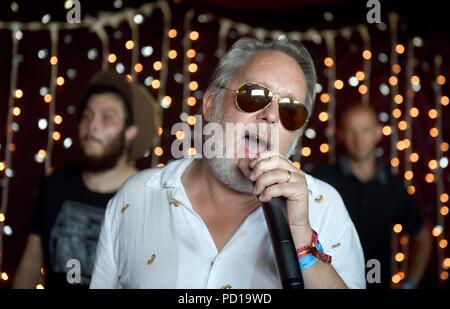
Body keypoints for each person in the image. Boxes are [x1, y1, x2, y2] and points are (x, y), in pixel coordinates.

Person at [90, 38, 366, 289]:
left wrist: (303, 241)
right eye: (254, 95)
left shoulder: (324, 205)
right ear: (211, 104)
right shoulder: (136, 197)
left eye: (290, 110)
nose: (271, 116)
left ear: (294, 137)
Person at [13, 71, 157, 288]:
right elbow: (32, 260)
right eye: (87, 116)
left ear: (130, 132)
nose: (92, 126)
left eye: (107, 118)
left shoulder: (149, 197)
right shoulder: (56, 185)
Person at [312, 102, 432, 288]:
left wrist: (410, 284)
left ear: (378, 133)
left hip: (376, 282)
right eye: (352, 131)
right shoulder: (321, 180)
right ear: (341, 135)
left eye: (365, 130)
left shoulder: (394, 186)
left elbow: (423, 238)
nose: (359, 139)